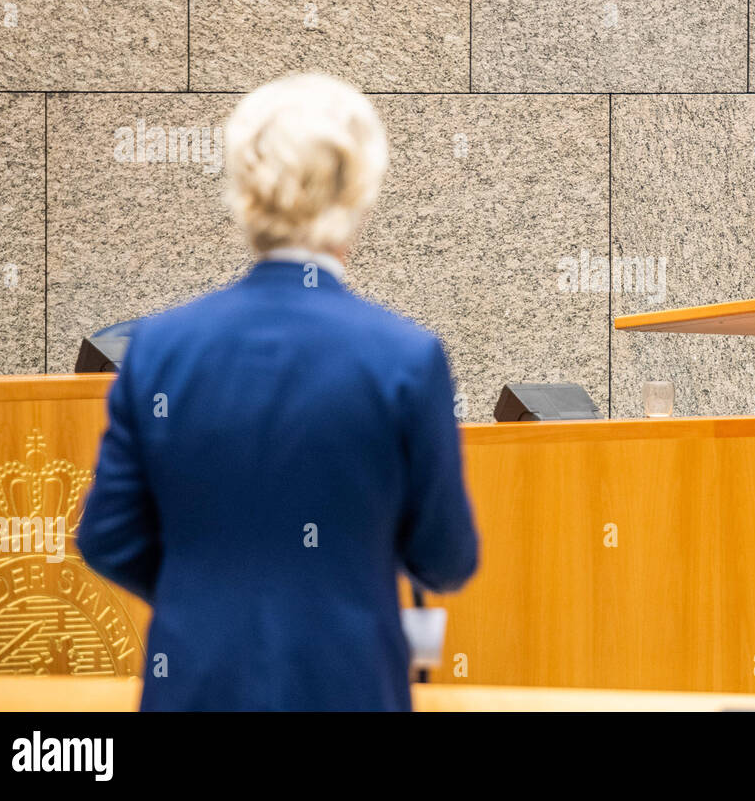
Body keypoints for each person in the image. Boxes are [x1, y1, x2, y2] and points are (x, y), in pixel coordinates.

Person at [79, 73, 479, 710]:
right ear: (359, 192)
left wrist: (205, 593)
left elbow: (107, 538)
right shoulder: (406, 357)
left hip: (192, 682)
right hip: (350, 685)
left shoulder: (156, 350)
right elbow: (447, 556)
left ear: (244, 190)